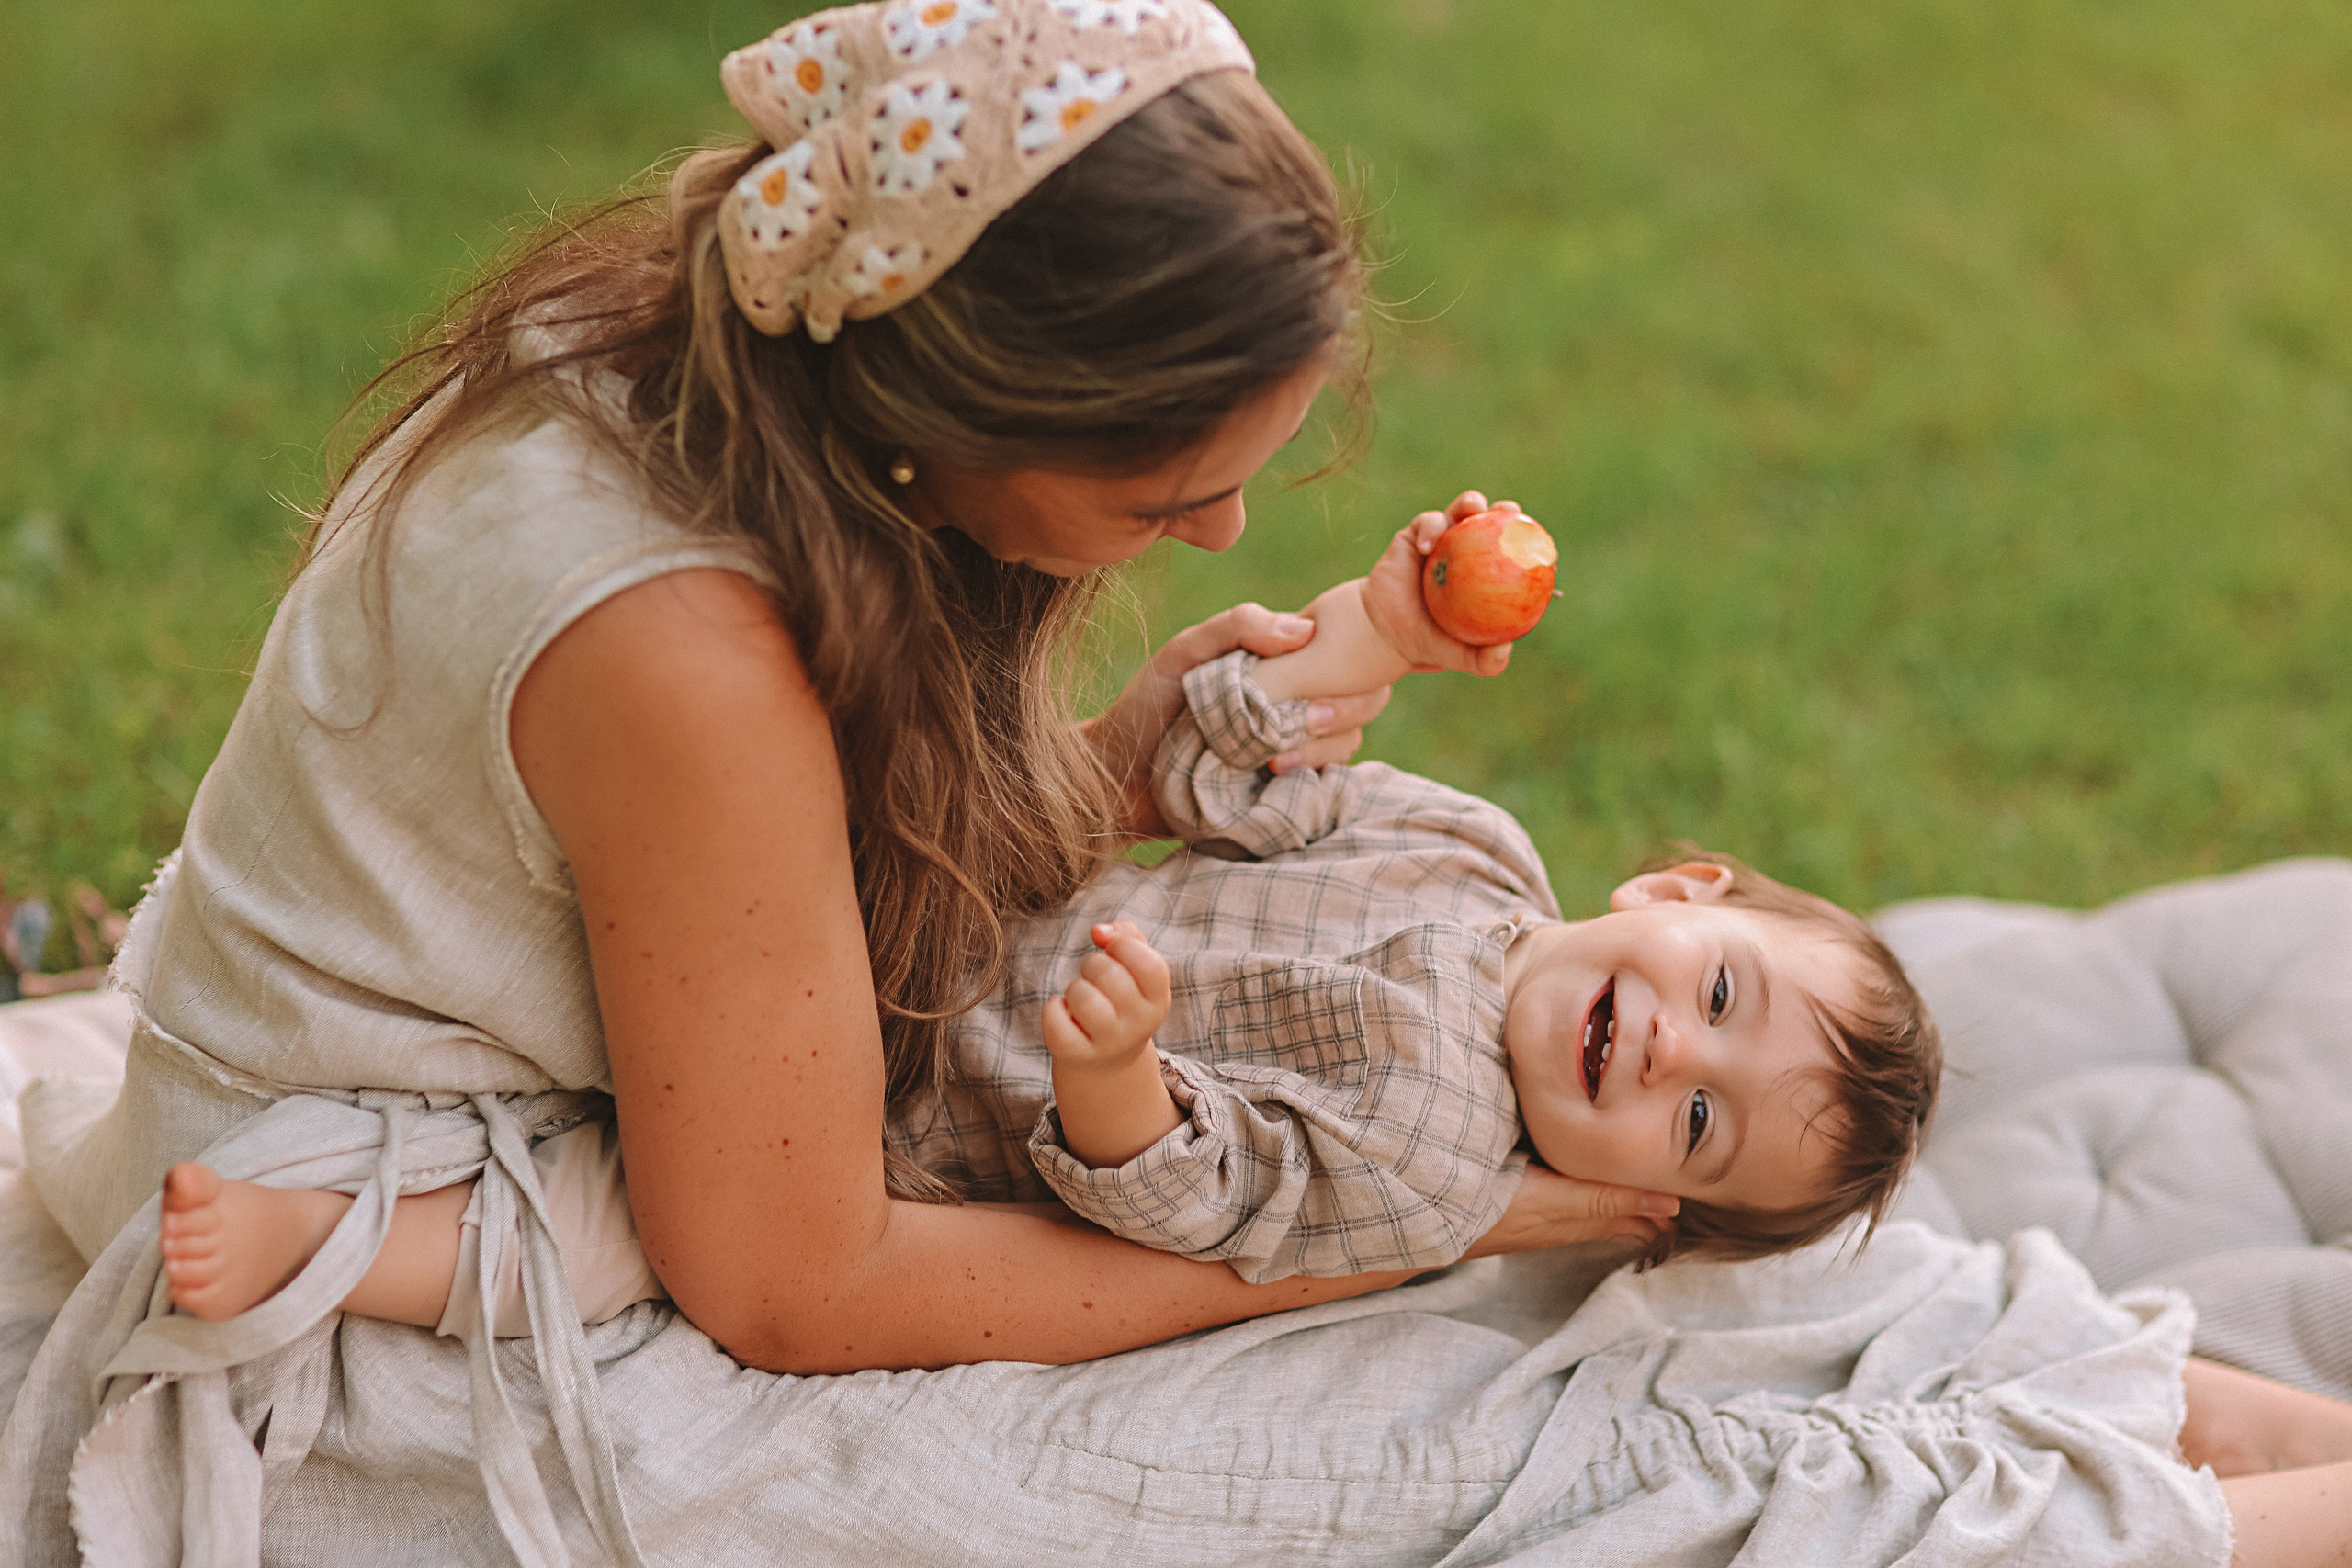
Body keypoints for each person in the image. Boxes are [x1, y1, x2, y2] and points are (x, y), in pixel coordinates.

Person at [13, 5, 2352, 1564]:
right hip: (434, 1270)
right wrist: (1402, 1236)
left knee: (1645, 1240)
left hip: (753, 1118)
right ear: (963, 407)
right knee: (1534, 1457)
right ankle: (2173, 1522)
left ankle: (2161, 1402)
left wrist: (1121, 769)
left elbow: (811, 918)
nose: (1224, 535)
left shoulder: (738, 371)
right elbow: (792, 1284)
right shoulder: (681, 648)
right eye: (1163, 496)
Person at [153, 514, 1940, 1333]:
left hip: (897, 1115)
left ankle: (333, 1242)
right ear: (1680, 889)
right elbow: (1242, 776)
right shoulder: (1474, 851)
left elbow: (1202, 1193)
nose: (1671, 1050)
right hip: (951, 899)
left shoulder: (1431, 1164)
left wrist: (1118, 1076)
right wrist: (1376, 637)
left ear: (1649, 1188)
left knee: (610, 1229)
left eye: (1695, 1121)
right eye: (1719, 996)